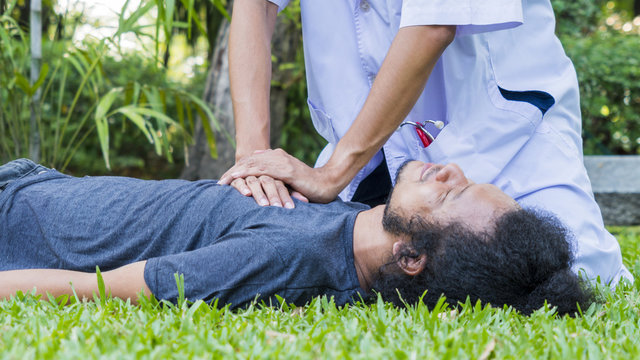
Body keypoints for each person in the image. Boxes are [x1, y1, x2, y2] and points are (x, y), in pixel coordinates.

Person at [220, 0, 632, 287]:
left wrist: (332, 174)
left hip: (500, 135)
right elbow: (254, 4)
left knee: (580, 273)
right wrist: (254, 164)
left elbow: (434, 24)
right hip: (373, 154)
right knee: (310, 266)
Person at [0, 159, 591, 316]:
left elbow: (100, 289)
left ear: (411, 257)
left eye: (451, 197)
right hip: (36, 186)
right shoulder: (356, 215)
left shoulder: (290, 257)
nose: (449, 173)